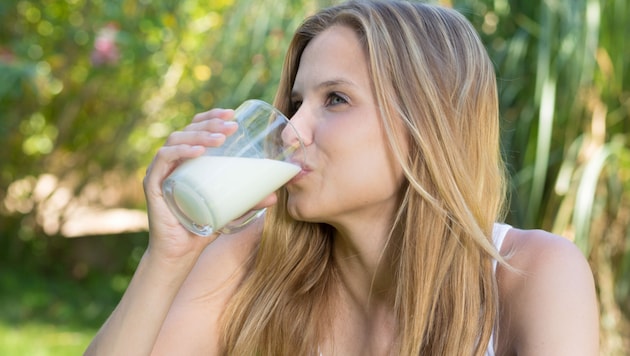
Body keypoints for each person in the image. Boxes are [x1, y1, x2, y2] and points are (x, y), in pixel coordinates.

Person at [85, 1, 599, 355]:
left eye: (335, 99)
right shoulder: (251, 259)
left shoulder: (531, 273)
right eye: (295, 102)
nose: (292, 131)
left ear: (428, 126)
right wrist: (166, 258)